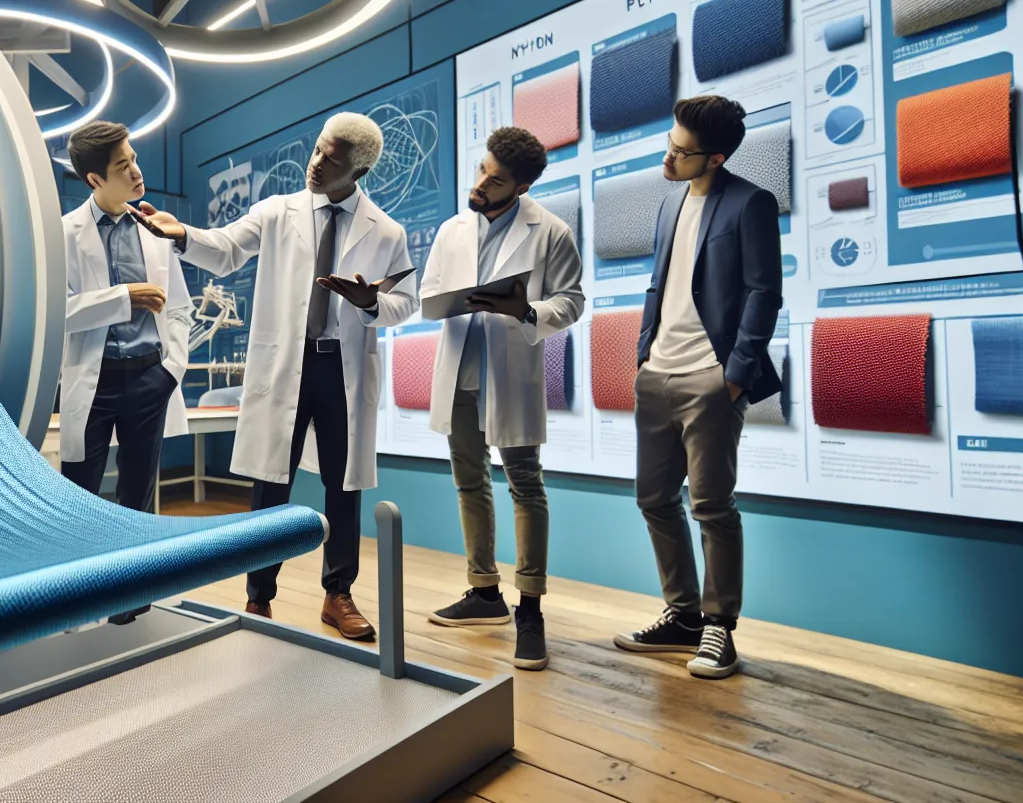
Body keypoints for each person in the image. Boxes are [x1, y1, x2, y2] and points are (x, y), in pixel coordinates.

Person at [132, 112, 418, 640]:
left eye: (331, 159)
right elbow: (226, 248)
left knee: (344, 483)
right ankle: (258, 596)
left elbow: (406, 302)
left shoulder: (387, 231)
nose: (316, 163)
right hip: (288, 362)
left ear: (358, 171)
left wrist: (370, 303)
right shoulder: (277, 211)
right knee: (271, 481)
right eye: (317, 149)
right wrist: (182, 234)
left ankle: (338, 593)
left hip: (342, 367)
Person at [612, 95, 783, 679]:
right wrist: (643, 355)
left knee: (712, 506)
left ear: (715, 158)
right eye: (669, 144)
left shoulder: (751, 203)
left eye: (681, 153)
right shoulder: (670, 202)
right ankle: (682, 615)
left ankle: (719, 626)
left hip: (711, 377)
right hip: (657, 373)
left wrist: (734, 376)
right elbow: (658, 285)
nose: (668, 159)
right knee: (654, 500)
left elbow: (764, 293)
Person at [421, 127, 583, 672]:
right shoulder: (452, 229)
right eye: (482, 170)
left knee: (525, 486)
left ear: (522, 186)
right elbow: (430, 291)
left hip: (509, 373)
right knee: (469, 480)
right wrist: (442, 301)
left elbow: (572, 301)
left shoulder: (551, 232)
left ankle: (529, 609)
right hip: (460, 370)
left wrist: (527, 311)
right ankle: (484, 591)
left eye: (496, 180)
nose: (482, 184)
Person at [59, 122, 192, 623]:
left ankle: (130, 600)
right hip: (93, 382)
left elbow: (180, 309)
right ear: (95, 180)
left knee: (137, 496)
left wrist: (170, 371)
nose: (137, 172)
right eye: (123, 166)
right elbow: (55, 311)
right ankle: (77, 601)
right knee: (79, 495)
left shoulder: (154, 230)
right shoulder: (64, 233)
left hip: (148, 379)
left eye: (134, 158)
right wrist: (123, 298)